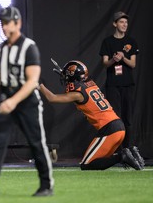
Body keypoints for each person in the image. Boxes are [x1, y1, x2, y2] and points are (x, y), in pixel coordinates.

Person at [0, 6, 54, 198]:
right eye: (2, 23)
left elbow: (32, 80)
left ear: (18, 23)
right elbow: (1, 77)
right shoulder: (0, 49)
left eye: (7, 22)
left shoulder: (28, 47)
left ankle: (46, 184)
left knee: (36, 142)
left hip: (26, 100)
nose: (4, 27)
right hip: (6, 98)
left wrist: (13, 101)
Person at [39, 60, 144, 170]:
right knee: (99, 159)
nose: (64, 78)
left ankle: (122, 157)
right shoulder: (90, 84)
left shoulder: (78, 93)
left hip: (109, 129)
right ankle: (132, 151)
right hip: (118, 126)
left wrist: (39, 84)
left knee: (87, 164)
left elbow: (52, 98)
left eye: (66, 76)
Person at [99, 11, 139, 148]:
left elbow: (133, 64)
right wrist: (113, 60)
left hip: (127, 85)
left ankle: (127, 148)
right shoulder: (107, 42)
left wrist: (123, 57)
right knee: (115, 118)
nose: (124, 24)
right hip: (112, 85)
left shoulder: (131, 42)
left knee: (127, 118)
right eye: (121, 22)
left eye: (126, 22)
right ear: (115, 24)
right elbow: (105, 63)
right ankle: (116, 149)